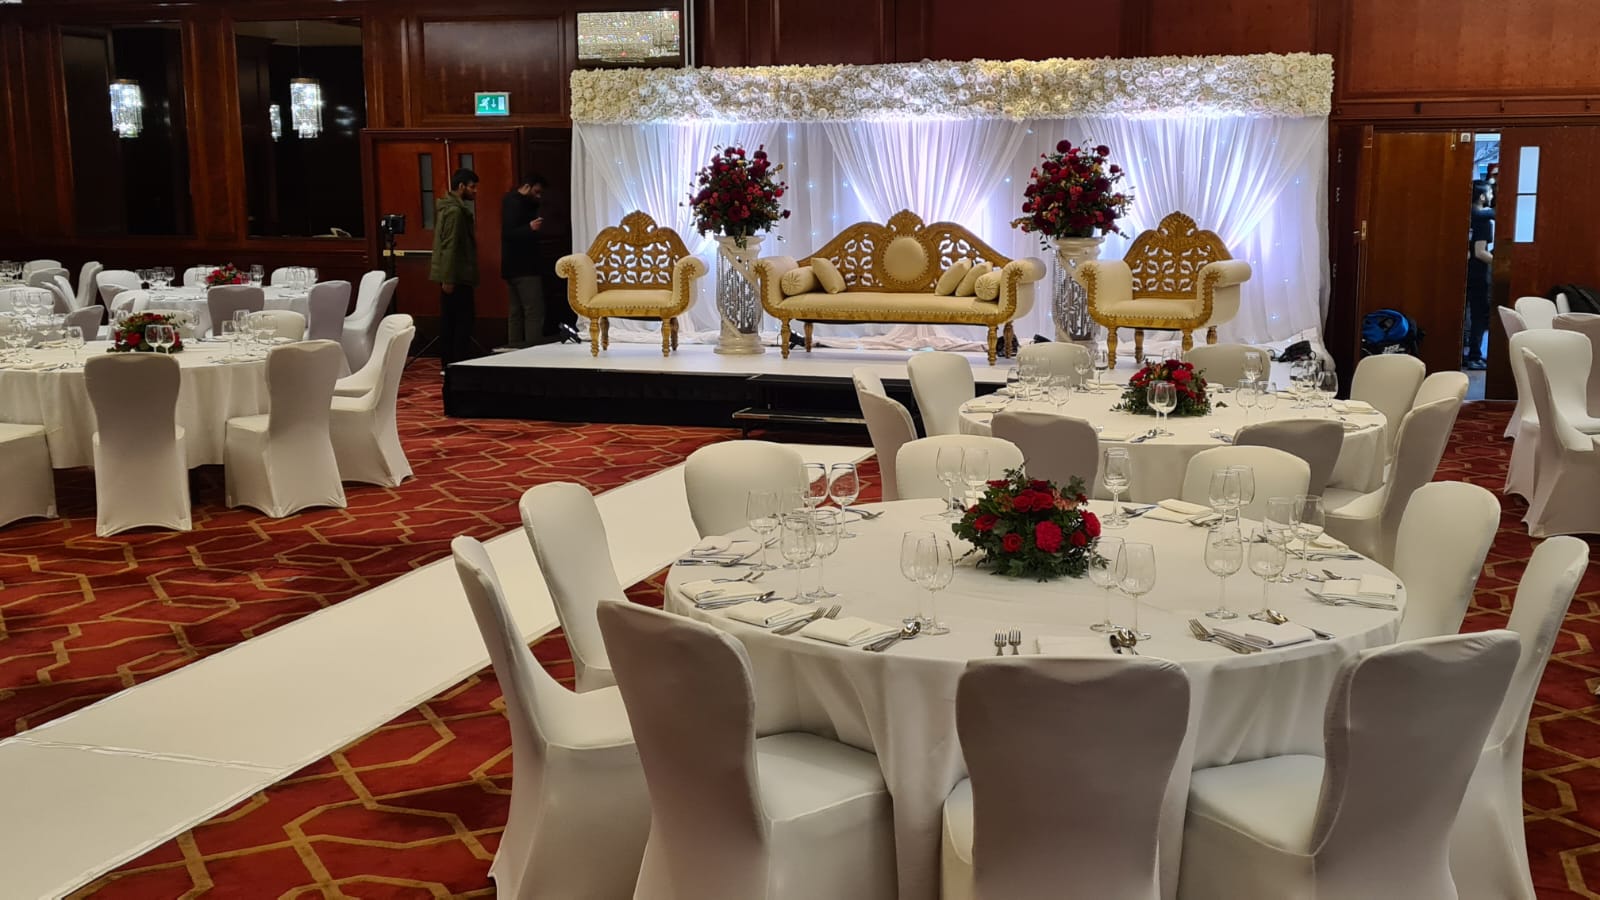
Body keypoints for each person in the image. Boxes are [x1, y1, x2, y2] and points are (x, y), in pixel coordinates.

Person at [430, 168, 479, 368]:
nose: (475, 191)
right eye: (472, 187)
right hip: (457, 275)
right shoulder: (456, 211)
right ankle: (456, 363)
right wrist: (448, 278)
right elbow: (450, 245)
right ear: (461, 186)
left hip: (454, 273)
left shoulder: (448, 208)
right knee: (460, 322)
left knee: (452, 320)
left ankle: (450, 363)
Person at [501, 175, 550, 349]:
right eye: (536, 192)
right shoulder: (517, 204)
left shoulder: (509, 200)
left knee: (515, 312)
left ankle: (513, 349)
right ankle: (532, 351)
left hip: (511, 267)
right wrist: (530, 228)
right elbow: (509, 233)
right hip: (525, 267)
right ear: (527, 187)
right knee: (533, 311)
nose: (538, 196)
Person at [1463, 179, 1494, 370]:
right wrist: (1500, 263)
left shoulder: (1465, 217)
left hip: (1464, 271)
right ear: (1482, 197)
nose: (1492, 195)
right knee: (1479, 316)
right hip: (1478, 274)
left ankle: (1463, 354)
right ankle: (1475, 356)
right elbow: (1480, 252)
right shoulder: (1484, 221)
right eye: (1490, 192)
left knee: (1463, 313)